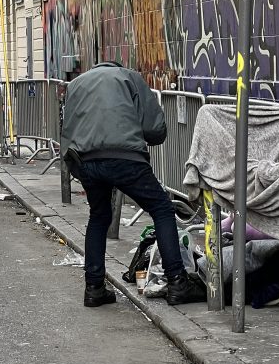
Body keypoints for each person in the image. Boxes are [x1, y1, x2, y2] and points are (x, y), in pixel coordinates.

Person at [61, 61, 205, 308]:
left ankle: (94, 288)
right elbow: (155, 129)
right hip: (124, 158)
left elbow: (67, 129)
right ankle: (178, 282)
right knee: (161, 209)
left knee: (98, 216)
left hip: (86, 160)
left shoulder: (75, 85)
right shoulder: (129, 77)